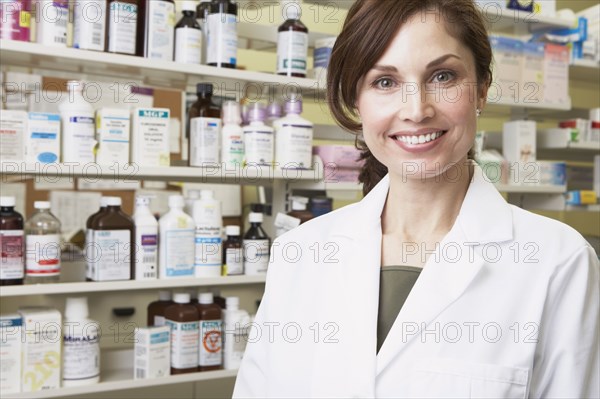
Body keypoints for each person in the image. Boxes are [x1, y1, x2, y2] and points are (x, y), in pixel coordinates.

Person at [233, 0, 600, 397]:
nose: (416, 110)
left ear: (481, 89)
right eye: (385, 82)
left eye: (442, 76)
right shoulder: (299, 254)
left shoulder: (558, 262)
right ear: (357, 101)